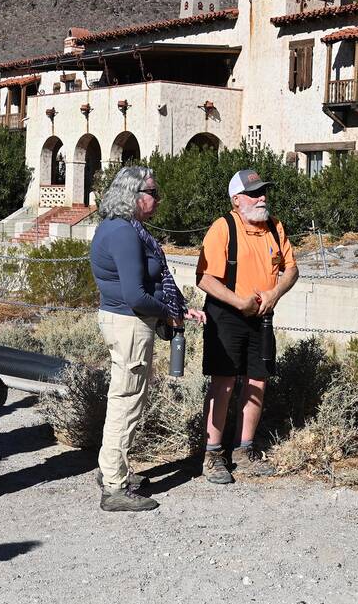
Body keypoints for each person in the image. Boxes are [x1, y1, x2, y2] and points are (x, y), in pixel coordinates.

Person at [89, 166, 205, 512]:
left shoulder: (117, 227)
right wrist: (172, 313)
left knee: (123, 397)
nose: (158, 198)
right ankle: (114, 486)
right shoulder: (124, 233)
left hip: (123, 322)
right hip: (130, 325)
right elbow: (136, 295)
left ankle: (112, 468)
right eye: (153, 192)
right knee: (126, 401)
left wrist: (177, 311)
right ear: (134, 195)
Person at [196, 169, 298, 484]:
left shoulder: (275, 227)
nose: (262, 197)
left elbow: (291, 269)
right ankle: (213, 455)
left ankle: (244, 450)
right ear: (236, 199)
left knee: (258, 380)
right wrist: (238, 301)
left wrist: (274, 293)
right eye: (254, 193)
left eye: (263, 191)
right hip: (226, 315)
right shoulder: (222, 228)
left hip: (261, 316)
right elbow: (204, 278)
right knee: (223, 382)